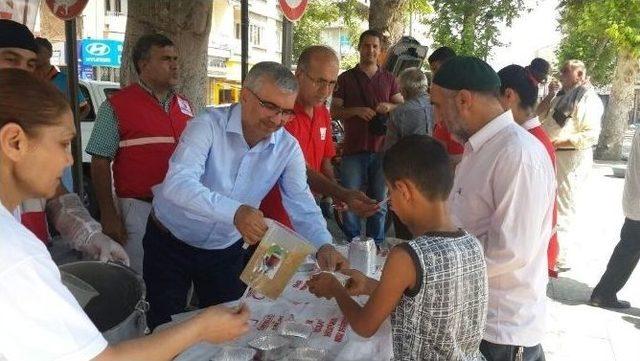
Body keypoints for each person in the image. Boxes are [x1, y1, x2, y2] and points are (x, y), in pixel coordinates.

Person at [0, 68, 250, 361]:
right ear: (14, 141)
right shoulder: (14, 253)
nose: (69, 160)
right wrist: (201, 327)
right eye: (63, 143)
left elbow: (62, 203)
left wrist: (90, 235)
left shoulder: (182, 104)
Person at [145, 61, 348, 329]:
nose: (277, 120)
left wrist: (324, 244)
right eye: (270, 106)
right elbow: (178, 184)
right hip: (171, 240)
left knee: (229, 327)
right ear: (244, 95)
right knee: (165, 326)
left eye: (286, 112)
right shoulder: (207, 124)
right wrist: (236, 212)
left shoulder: (287, 148)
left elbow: (301, 202)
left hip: (223, 249)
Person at [307, 135, 488, 361]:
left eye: (390, 193)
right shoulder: (472, 244)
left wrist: (337, 289)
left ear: (404, 190)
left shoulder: (407, 257)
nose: (390, 202)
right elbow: (429, 305)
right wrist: (368, 286)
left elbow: (364, 326)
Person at [431, 56, 555, 361]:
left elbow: (510, 250)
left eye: (437, 105)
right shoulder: (479, 148)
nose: (437, 118)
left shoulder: (518, 154)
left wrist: (431, 270)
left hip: (501, 330)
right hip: (471, 316)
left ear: (463, 100)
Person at [0, 19, 128, 265]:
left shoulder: (29, 117)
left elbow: (57, 195)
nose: (22, 70)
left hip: (30, 254)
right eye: (10, 58)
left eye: (30, 64)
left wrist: (91, 235)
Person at [86, 34, 193, 274]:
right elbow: (100, 160)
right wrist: (108, 214)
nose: (175, 64)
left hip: (180, 209)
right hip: (138, 210)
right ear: (144, 65)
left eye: (176, 58)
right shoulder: (117, 105)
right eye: (166, 59)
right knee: (140, 277)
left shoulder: (184, 105)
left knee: (177, 277)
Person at [260, 45, 378, 230]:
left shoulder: (323, 112)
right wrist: (342, 193)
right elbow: (300, 170)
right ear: (299, 74)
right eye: (319, 81)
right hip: (272, 216)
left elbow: (325, 162)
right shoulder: (281, 115)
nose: (326, 91)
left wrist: (335, 193)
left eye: (332, 83)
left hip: (305, 212)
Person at [330, 29, 404, 245]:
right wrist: (356, 111)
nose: (370, 50)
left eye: (375, 46)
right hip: (353, 149)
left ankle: (377, 245)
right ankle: (352, 244)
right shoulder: (345, 78)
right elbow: (333, 112)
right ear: (359, 48)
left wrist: (388, 106)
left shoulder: (389, 79)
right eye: (366, 45)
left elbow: (401, 106)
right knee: (350, 201)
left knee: (378, 204)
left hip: (382, 149)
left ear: (380, 51)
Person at [540, 59, 604, 270]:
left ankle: (561, 255)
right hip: (554, 154)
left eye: (567, 71)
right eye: (562, 70)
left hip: (571, 158)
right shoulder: (561, 96)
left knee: (564, 205)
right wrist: (550, 94)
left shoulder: (588, 99)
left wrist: (557, 142)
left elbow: (589, 135)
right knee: (550, 203)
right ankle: (551, 250)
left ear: (579, 74)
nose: (562, 74)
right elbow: (540, 116)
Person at [498, 64, 559, 277]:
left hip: (526, 263)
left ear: (508, 96)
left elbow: (517, 233)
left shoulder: (526, 144)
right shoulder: (529, 137)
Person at [590, 128, 640, 309]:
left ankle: (603, 293)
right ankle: (603, 293)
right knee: (627, 251)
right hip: (637, 202)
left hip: (635, 201)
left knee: (627, 250)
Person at [34, 36, 91, 192]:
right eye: (34, 50)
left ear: (49, 54)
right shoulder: (29, 80)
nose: (36, 54)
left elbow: (84, 108)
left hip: (57, 141)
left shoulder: (64, 80)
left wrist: (69, 126)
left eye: (39, 50)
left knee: (62, 185)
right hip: (33, 140)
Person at [384, 67, 432, 239]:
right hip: (436, 176)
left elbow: (389, 151)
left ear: (403, 90)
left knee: (405, 231)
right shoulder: (437, 105)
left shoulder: (400, 113)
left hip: (407, 177)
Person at [427, 46, 464, 165]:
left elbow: (460, 158)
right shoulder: (441, 95)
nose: (434, 76)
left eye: (436, 70)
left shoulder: (460, 101)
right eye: (433, 71)